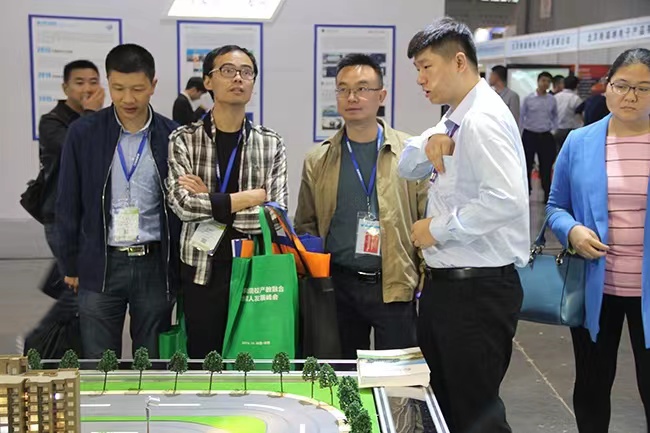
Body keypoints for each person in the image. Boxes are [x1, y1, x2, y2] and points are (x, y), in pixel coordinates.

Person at [400, 17, 529, 433]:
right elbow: (406, 166)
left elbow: (506, 200)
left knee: (476, 415)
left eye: (426, 66)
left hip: (476, 291)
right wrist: (429, 141)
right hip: (451, 287)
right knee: (450, 410)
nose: (420, 78)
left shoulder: (482, 118)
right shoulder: (455, 115)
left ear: (459, 61)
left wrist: (437, 228)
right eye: (417, 69)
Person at [295, 53, 426, 360]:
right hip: (338, 288)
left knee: (396, 378)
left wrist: (422, 277)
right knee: (343, 376)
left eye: (362, 88)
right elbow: (306, 225)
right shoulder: (318, 159)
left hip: (394, 284)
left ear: (381, 95)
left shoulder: (410, 153)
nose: (352, 97)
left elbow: (425, 216)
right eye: (343, 89)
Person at [547, 47, 650, 433]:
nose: (630, 96)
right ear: (606, 87)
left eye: (643, 88)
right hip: (594, 285)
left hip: (647, 290)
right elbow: (555, 206)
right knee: (592, 386)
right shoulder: (579, 142)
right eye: (622, 85)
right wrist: (571, 230)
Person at [57, 44, 181, 360]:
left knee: (151, 360)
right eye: (118, 88)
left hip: (154, 264)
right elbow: (68, 200)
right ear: (108, 84)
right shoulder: (83, 133)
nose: (128, 98)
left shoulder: (172, 136)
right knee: (100, 362)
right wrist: (69, 263)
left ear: (153, 85)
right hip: (100, 262)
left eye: (138, 89)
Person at [167, 45, 288, 360]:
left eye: (246, 72)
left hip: (254, 270)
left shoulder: (270, 143)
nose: (238, 78)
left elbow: (275, 216)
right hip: (201, 269)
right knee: (204, 361)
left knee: (253, 360)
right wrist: (250, 198)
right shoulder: (184, 139)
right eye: (228, 70)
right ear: (208, 81)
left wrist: (209, 201)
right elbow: (182, 205)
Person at [20, 60, 105, 358]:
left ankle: (66, 347)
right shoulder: (52, 122)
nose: (87, 88)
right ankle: (36, 343)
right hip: (60, 216)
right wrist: (92, 114)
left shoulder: (101, 120)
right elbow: (75, 150)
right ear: (65, 87)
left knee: (80, 285)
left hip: (90, 218)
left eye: (93, 81)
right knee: (77, 286)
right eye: (79, 82)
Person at [520, 71, 558, 202]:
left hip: (545, 135)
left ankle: (547, 194)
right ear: (538, 81)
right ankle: (525, 192)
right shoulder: (528, 99)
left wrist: (553, 129)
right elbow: (521, 116)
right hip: (529, 134)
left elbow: (555, 116)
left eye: (548, 81)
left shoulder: (552, 99)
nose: (545, 83)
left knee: (546, 166)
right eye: (543, 80)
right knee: (527, 165)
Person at [554, 74, 583, 151]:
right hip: (571, 130)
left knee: (558, 153)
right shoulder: (576, 99)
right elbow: (580, 116)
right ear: (577, 85)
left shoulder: (555, 97)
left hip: (556, 130)